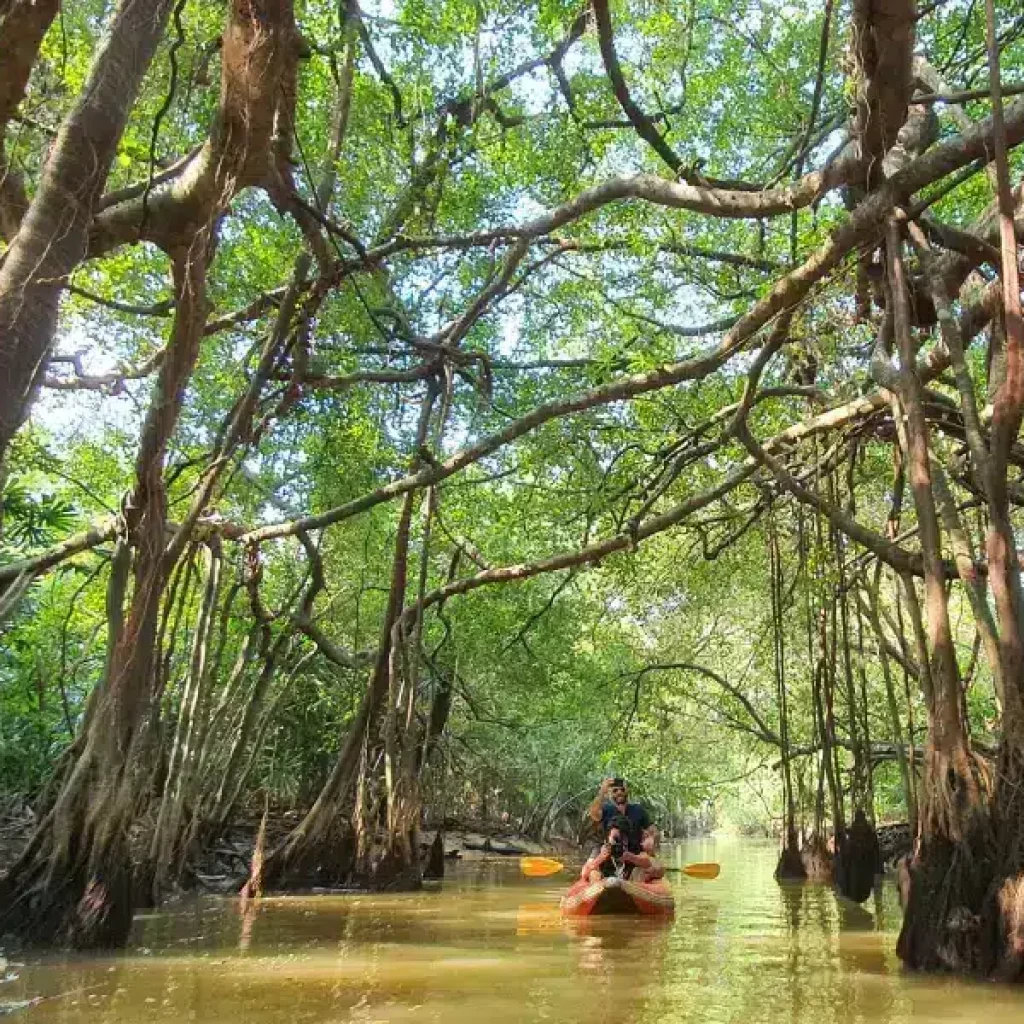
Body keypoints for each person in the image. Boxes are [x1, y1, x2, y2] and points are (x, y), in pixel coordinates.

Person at [585, 777, 663, 883]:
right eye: (615, 790)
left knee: (654, 868)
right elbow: (593, 813)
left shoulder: (637, 810)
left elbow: (654, 831)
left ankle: (635, 886)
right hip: (606, 847)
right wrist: (602, 792)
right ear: (609, 794)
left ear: (627, 790)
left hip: (633, 848)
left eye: (622, 789)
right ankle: (600, 888)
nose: (619, 792)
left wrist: (652, 839)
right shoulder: (606, 809)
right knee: (590, 871)